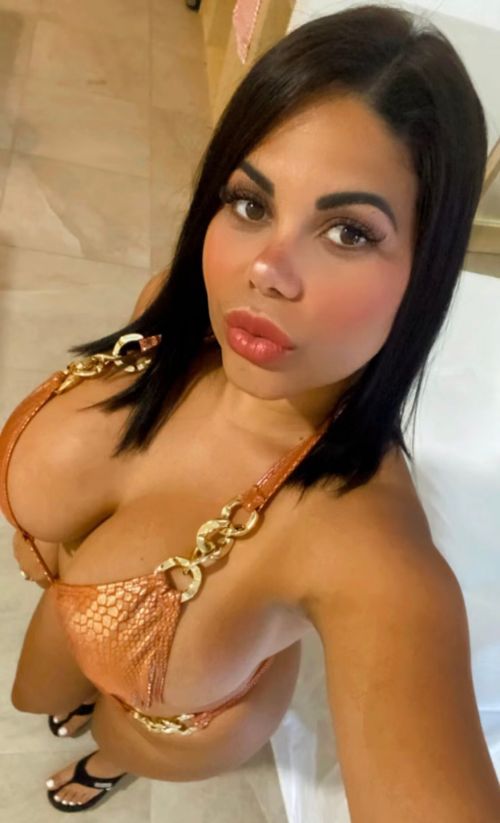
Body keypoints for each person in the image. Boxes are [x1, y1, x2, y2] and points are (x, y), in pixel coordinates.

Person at [2, 3, 499, 818]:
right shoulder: (171, 313)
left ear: (426, 269)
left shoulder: (372, 556)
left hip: (175, 725)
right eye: (250, 202)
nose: (266, 268)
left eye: (348, 232)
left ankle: (109, 757)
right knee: (43, 688)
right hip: (64, 619)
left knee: (124, 737)